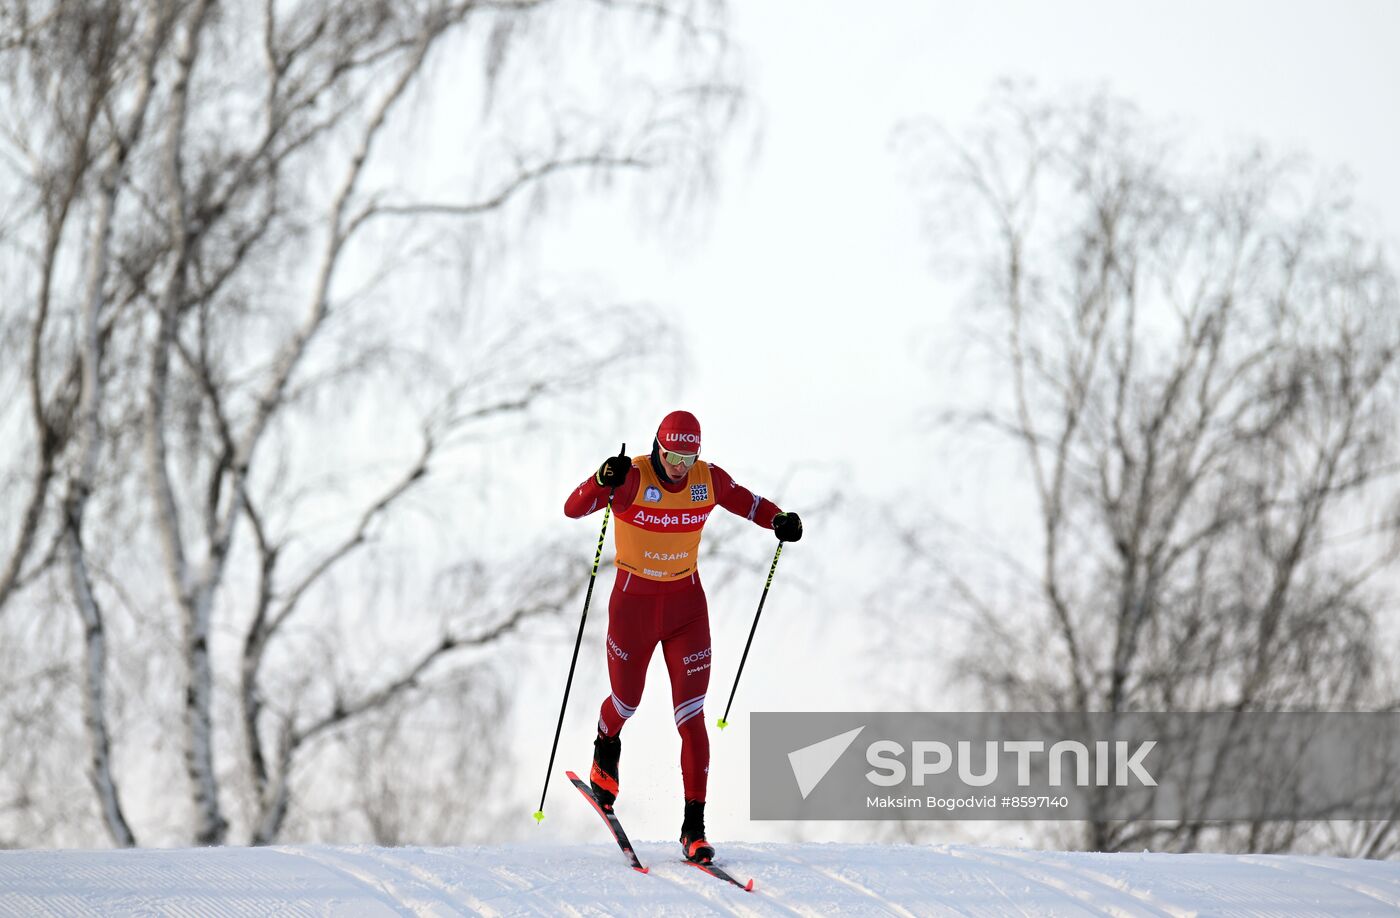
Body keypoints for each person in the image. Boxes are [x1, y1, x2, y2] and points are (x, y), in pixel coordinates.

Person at [563, 410, 802, 864]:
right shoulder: (631, 476)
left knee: (692, 716)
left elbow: (749, 503)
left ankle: (694, 828)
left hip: (686, 610)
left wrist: (779, 521)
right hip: (633, 607)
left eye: (687, 456)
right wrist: (600, 479)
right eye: (671, 455)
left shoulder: (705, 480)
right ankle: (606, 744)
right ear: (657, 446)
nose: (678, 466)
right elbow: (574, 508)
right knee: (626, 701)